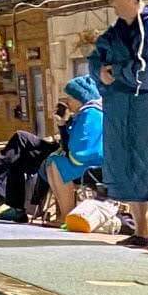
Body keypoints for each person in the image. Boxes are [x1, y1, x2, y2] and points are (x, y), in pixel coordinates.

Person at [90, 0, 148, 249]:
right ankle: (140, 232)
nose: (112, 2)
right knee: (128, 168)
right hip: (122, 112)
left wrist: (118, 72)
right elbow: (96, 60)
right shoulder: (115, 33)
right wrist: (99, 72)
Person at [40, 76, 106, 223]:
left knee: (56, 164)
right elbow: (69, 144)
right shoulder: (84, 114)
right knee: (52, 162)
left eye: (70, 97)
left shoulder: (90, 114)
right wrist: (63, 124)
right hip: (89, 163)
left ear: (79, 97)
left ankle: (66, 214)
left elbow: (80, 149)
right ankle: (65, 214)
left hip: (93, 165)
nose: (67, 102)